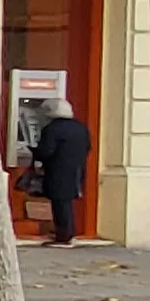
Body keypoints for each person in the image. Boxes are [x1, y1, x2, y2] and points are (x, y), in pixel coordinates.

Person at [26, 98, 94, 246]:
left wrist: (34, 151)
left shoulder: (52, 129)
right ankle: (67, 232)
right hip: (76, 169)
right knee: (66, 201)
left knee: (60, 203)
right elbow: (88, 148)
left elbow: (46, 151)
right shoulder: (81, 128)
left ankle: (64, 235)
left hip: (57, 171)